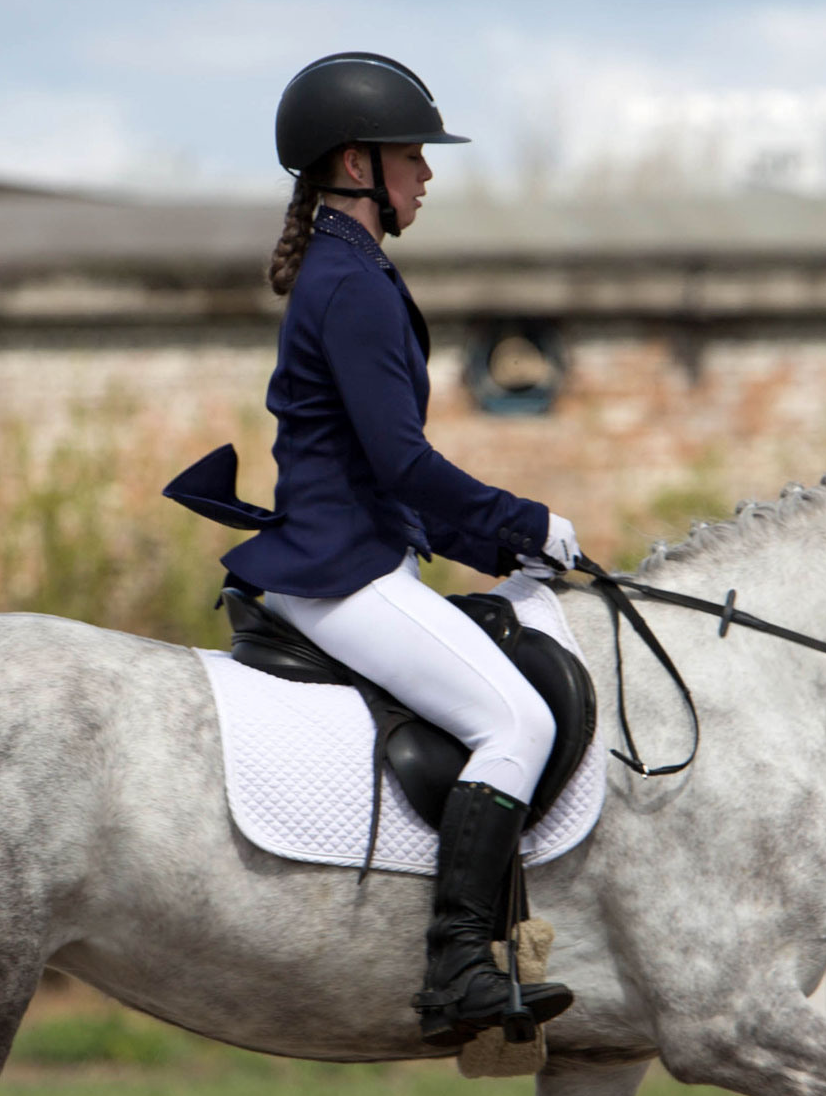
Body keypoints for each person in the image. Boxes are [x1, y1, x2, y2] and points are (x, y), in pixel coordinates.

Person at [165, 52, 581, 1042]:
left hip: (352, 549)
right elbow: (400, 460)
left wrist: (492, 544)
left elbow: (379, 468)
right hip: (339, 570)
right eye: (413, 156)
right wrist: (524, 521)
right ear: (356, 163)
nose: (428, 175)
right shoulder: (349, 284)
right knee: (515, 725)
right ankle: (457, 972)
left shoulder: (350, 270)